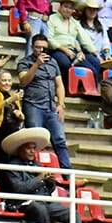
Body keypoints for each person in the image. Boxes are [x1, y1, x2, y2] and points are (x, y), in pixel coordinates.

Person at [0, 127, 102, 223]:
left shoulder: (37, 165)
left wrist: (50, 182)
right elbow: (20, 189)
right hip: (23, 203)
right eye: (28, 148)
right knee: (39, 208)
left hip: (44, 202)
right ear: (20, 149)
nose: (32, 151)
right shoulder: (12, 166)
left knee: (71, 212)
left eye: (34, 148)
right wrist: (40, 178)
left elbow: (49, 190)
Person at [17, 34, 71, 168]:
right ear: (32, 47)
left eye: (43, 48)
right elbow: (23, 81)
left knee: (60, 140)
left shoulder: (53, 62)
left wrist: (61, 104)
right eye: (37, 47)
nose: (41, 50)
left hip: (51, 106)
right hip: (33, 105)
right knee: (33, 141)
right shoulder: (24, 62)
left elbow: (59, 85)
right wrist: (36, 65)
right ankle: (33, 170)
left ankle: (68, 175)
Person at [47, 0, 101, 81]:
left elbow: (84, 39)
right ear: (60, 7)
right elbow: (49, 38)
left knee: (95, 61)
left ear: (73, 10)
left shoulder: (74, 22)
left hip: (72, 51)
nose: (68, 10)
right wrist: (64, 49)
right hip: (56, 50)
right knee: (65, 63)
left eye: (70, 8)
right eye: (65, 7)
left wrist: (96, 53)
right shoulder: (52, 18)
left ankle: (91, 89)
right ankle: (67, 88)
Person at [0, 69, 24, 160]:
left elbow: (21, 116)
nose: (7, 83)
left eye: (9, 81)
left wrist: (20, 115)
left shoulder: (14, 96)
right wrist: (8, 101)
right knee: (2, 161)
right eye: (4, 80)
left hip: (14, 133)